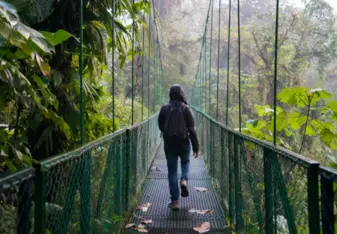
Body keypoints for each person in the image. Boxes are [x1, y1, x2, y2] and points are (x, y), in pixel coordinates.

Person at [158, 84, 199, 210]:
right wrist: (196, 147)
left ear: (170, 94)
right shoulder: (187, 109)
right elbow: (191, 129)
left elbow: (160, 125)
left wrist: (167, 132)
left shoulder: (164, 108)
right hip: (184, 142)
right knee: (186, 163)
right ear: (182, 94)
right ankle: (184, 180)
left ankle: (175, 201)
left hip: (169, 143)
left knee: (172, 171)